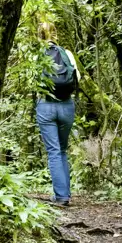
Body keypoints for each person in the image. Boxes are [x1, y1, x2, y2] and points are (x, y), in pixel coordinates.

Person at [37, 22, 80, 207]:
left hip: (46, 106)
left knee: (54, 151)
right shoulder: (66, 53)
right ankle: (65, 194)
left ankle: (62, 196)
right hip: (67, 106)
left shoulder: (36, 55)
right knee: (62, 150)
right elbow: (78, 78)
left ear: (39, 35)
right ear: (56, 34)